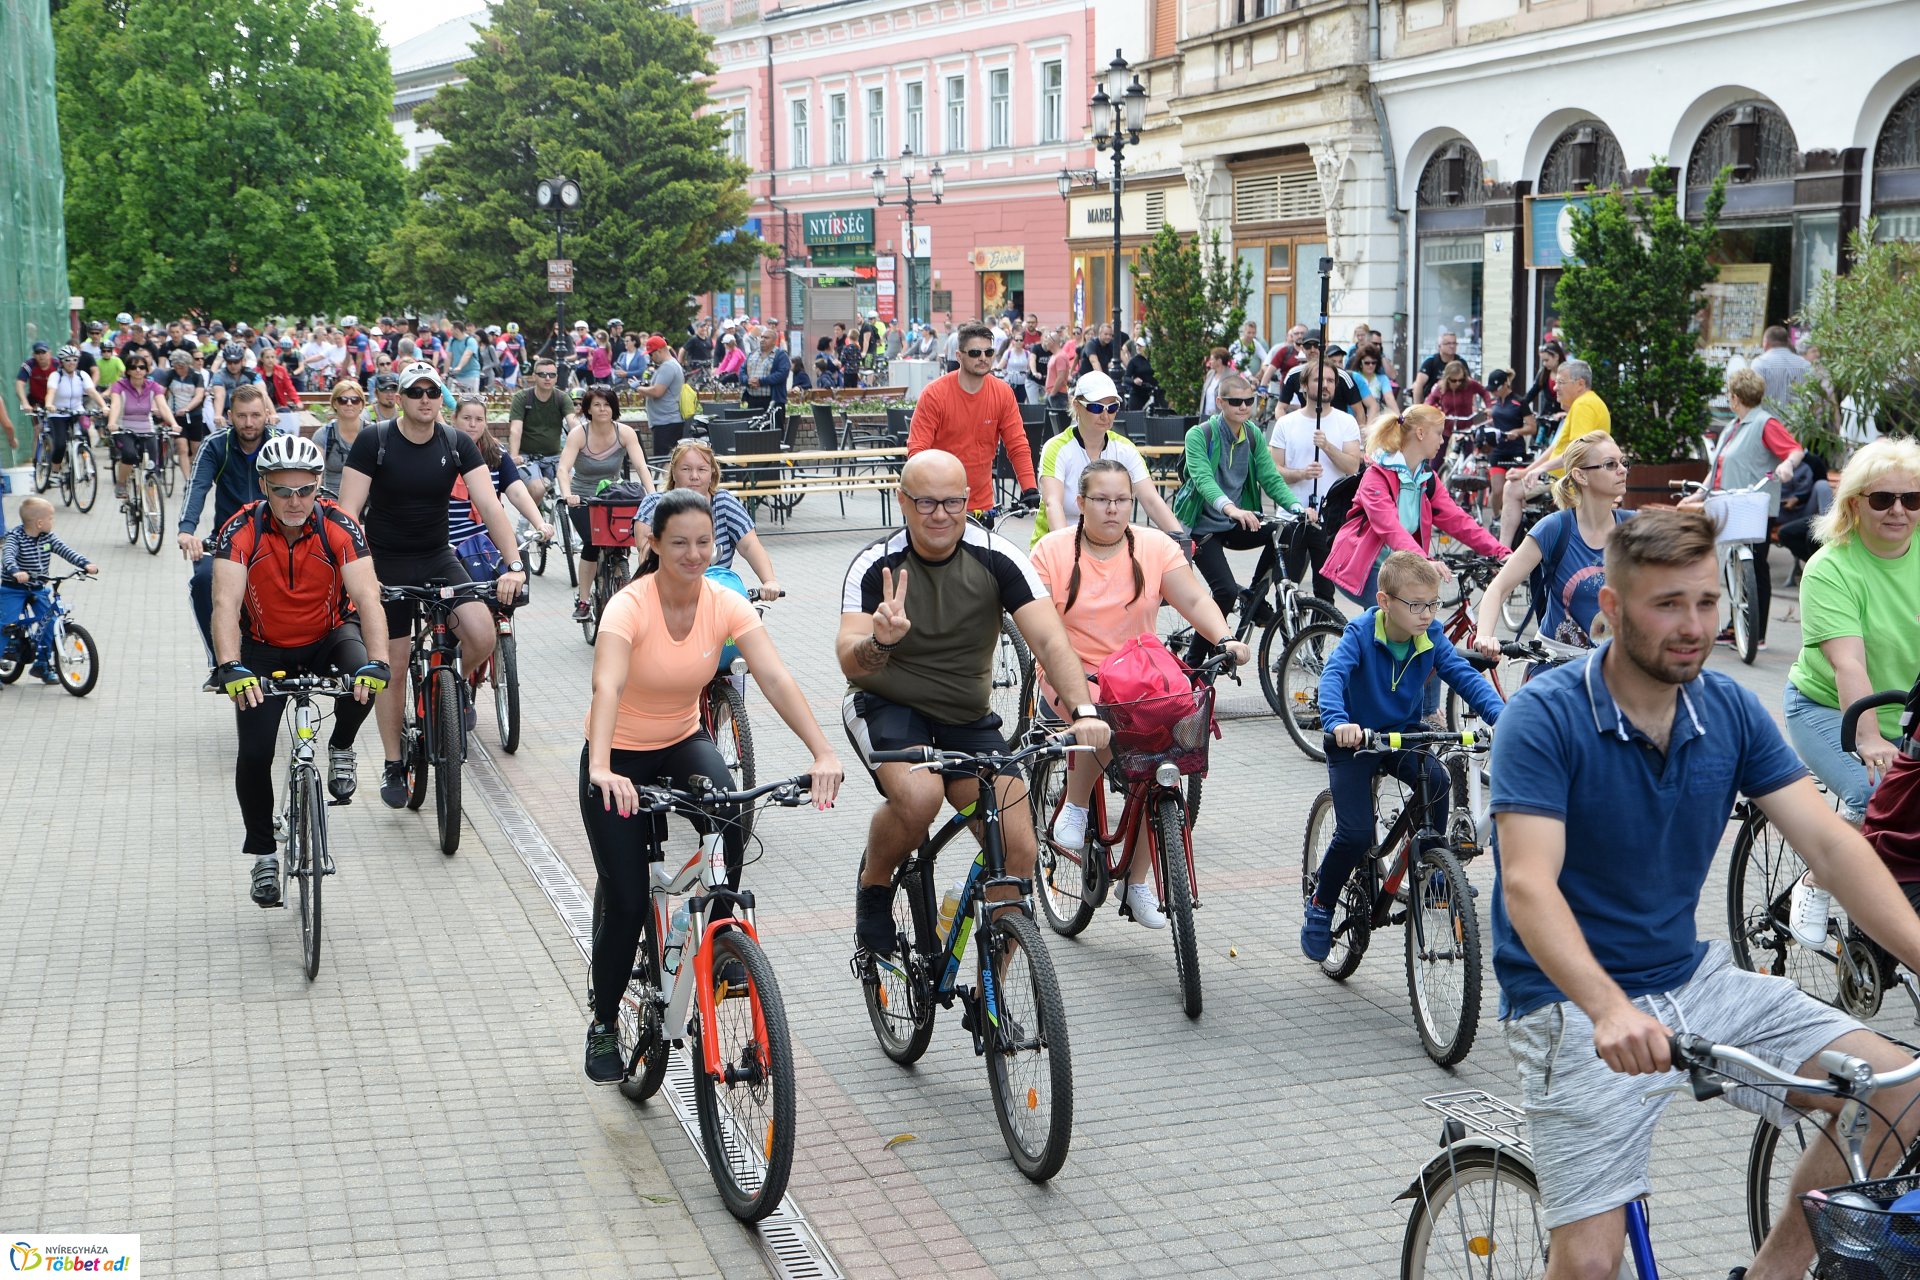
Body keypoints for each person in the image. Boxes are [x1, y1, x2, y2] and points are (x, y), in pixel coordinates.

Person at [1488, 506, 1920, 1280]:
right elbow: (1527, 882)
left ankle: (1773, 1274)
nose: (1694, 627)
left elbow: (1830, 846)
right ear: (1612, 607)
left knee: (1898, 1091)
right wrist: (1607, 1008)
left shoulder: (1727, 709)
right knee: (1592, 1263)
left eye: (1707, 602)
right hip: (1571, 1002)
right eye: (1668, 604)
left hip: (1694, 980)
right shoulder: (1544, 717)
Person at [579, 488, 843, 1082]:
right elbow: (607, 686)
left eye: (704, 542)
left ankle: (722, 935)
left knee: (728, 811)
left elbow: (773, 675)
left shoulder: (724, 601)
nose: (694, 554)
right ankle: (603, 1022)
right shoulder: (628, 606)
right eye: (680, 543)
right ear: (653, 543)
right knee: (627, 900)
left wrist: (822, 750)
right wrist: (601, 767)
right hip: (616, 754)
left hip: (681, 741)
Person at [838, 450, 1110, 957]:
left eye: (952, 502)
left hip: (966, 718)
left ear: (968, 500)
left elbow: (1050, 641)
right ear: (903, 501)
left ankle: (996, 992)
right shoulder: (876, 564)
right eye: (926, 502)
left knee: (1018, 850)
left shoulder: (996, 556)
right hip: (887, 706)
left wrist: (1084, 711)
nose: (940, 514)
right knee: (920, 799)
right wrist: (880, 642)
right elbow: (849, 662)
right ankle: (874, 886)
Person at [1029, 459, 1249, 926]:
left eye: (1122, 500)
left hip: (1140, 673)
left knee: (1168, 756)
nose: (1112, 509)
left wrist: (1226, 638)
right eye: (1101, 499)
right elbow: (1039, 626)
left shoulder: (1153, 546)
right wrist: (1063, 668)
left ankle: (1137, 882)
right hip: (1073, 671)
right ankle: (1075, 804)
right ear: (1081, 502)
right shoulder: (1051, 550)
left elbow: (1194, 599)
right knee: (1101, 716)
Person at [334, 362, 527, 809]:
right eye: (415, 392)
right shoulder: (375, 440)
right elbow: (348, 513)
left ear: (442, 398)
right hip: (385, 562)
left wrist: (514, 564)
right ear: (400, 398)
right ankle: (393, 761)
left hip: (438, 556)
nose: (425, 399)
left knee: (481, 634)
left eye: (432, 392)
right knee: (393, 664)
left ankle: (449, 689)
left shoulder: (456, 443)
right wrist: (357, 574)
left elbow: (489, 504)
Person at [209, 435, 389, 906]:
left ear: (318, 486)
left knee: (365, 678)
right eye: (283, 491)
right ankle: (264, 856)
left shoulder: (339, 525)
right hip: (263, 648)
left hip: (329, 636)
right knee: (254, 754)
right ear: (264, 487)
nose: (295, 501)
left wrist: (380, 661)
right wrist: (230, 665)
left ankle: (342, 745)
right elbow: (225, 602)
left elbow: (368, 598)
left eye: (305, 490)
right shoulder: (240, 528)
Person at [1302, 551, 1504, 959]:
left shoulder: (1431, 637)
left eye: (1433, 604)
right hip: (1354, 741)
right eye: (1415, 605)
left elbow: (1464, 676)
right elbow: (1334, 676)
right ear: (1385, 602)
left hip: (1402, 735)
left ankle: (1432, 867)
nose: (1427, 614)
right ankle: (1321, 903)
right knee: (1355, 834)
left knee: (1438, 780)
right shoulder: (1361, 633)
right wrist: (1338, 722)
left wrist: (1504, 716)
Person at [1781, 436, 1920, 837]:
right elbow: (1849, 663)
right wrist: (1869, 737)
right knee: (1874, 795)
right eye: (1882, 499)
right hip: (1828, 707)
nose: (1898, 510)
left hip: (1908, 712)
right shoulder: (1831, 569)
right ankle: (1826, 871)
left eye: (1912, 499)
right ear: (1855, 503)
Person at [1173, 373, 1311, 651]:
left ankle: (1252, 598)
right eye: (1236, 402)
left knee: (1285, 531)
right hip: (1202, 526)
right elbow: (1202, 479)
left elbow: (1270, 478)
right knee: (1224, 592)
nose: (1244, 406)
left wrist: (1297, 508)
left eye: (1249, 400)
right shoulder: (1199, 435)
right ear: (1220, 402)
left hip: (1235, 522)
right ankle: (1193, 663)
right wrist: (1231, 508)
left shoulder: (1253, 434)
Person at [1325, 403, 1509, 607]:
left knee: (1415, 616)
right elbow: (1390, 528)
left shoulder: (1426, 478)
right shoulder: (1376, 476)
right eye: (1439, 433)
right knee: (1404, 614)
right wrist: (1424, 561)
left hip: (1396, 567)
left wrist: (1499, 551)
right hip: (1363, 568)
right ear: (1420, 433)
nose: (1442, 441)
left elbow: (1457, 520)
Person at [1475, 431, 1633, 662]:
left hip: (1612, 669)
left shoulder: (1634, 527)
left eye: (1623, 462)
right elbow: (1498, 588)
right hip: (1557, 666)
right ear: (1581, 475)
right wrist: (1484, 637)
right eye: (1610, 464)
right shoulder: (1554, 528)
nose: (1622, 470)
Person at [1699, 367, 1805, 652]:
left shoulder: (1764, 423)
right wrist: (1699, 492)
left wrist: (1787, 465)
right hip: (1729, 503)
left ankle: (1755, 633)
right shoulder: (1735, 426)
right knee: (1734, 566)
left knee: (1755, 566)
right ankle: (1736, 626)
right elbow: (1718, 466)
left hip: (1753, 507)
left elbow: (1794, 450)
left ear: (1735, 397)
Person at [179, 385, 281, 662]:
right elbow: (197, 486)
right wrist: (186, 530)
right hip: (228, 539)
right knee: (203, 580)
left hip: (278, 537)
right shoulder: (216, 445)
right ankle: (220, 662)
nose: (249, 423)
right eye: (242, 416)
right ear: (229, 416)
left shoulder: (279, 444)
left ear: (267, 415)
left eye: (256, 415)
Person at [1034, 371, 1183, 548]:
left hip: (1106, 548)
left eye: (1112, 408)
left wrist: (1182, 540)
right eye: (1096, 408)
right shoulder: (1056, 448)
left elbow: (1151, 500)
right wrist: (1067, 551)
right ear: (1076, 406)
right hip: (1056, 545)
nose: (1105, 416)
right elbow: (1053, 504)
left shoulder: (1125, 448)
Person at [906, 321, 1038, 516]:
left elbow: (1017, 444)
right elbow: (917, 451)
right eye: (975, 353)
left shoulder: (1002, 393)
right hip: (938, 505)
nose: (983, 358)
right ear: (959, 356)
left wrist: (1030, 488)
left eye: (989, 352)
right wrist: (926, 496)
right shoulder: (934, 394)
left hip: (982, 505)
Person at [635, 439, 780, 600]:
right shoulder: (653, 504)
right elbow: (644, 551)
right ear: (673, 472)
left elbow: (749, 545)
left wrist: (769, 581)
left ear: (712, 473)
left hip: (717, 594)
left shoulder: (723, 502)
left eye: (702, 469)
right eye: (686, 469)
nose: (694, 476)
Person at [556, 384, 654, 622]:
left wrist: (653, 496)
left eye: (607, 404)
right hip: (583, 498)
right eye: (597, 405)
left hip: (612, 495)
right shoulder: (579, 434)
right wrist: (568, 495)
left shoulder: (625, 433)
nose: (602, 409)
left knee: (625, 540)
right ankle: (583, 600)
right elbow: (563, 469)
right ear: (588, 409)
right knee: (592, 543)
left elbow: (641, 467)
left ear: (614, 408)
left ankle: (626, 587)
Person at [1268, 361, 1364, 599]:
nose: (1325, 385)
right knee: (1286, 588)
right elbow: (1273, 472)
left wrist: (1327, 446)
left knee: (1325, 592)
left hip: (1329, 521)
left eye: (1330, 381)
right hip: (1292, 517)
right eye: (1318, 380)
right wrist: (1301, 474)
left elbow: (1353, 466)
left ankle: (1319, 625)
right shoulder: (1286, 423)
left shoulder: (1346, 422)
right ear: (1303, 385)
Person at [1497, 358, 1609, 550]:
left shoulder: (1584, 406)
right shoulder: (1584, 403)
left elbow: (1577, 452)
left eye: (1561, 382)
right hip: (1562, 477)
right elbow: (1555, 449)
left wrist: (1538, 471)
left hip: (1566, 480)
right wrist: (1527, 471)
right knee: (1515, 484)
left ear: (1580, 384)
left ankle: (1502, 552)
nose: (1555, 387)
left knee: (1511, 488)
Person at [447, 395, 554, 583]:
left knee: (517, 569)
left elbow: (517, 491)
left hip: (487, 543)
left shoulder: (496, 454)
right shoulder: (441, 452)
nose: (472, 424)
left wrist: (539, 523)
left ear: (485, 422)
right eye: (466, 418)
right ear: (454, 419)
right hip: (448, 546)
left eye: (479, 419)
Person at [0, 496, 99, 686]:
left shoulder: (48, 538)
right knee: (6, 625)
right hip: (14, 588)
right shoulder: (15, 537)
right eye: (51, 518)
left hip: (37, 587)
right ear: (39, 523)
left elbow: (65, 550)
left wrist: (85, 563)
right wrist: (16, 572)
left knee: (50, 624)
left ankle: (42, 664)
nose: (53, 521)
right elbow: (8, 556)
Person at [104, 351, 179, 501]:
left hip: (146, 428)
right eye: (133, 367)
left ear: (146, 369)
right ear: (128, 371)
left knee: (153, 463)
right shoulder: (119, 386)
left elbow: (163, 406)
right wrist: (112, 423)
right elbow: (116, 405)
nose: (138, 370)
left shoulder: (153, 386)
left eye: (141, 367)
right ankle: (121, 484)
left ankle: (151, 498)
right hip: (124, 428)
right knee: (129, 455)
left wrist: (174, 423)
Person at [37, 346, 109, 482]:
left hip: (77, 411)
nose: (71, 362)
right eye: (68, 360)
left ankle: (87, 464)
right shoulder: (56, 376)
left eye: (75, 360)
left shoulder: (82, 375)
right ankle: (55, 471)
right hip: (58, 413)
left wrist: (103, 406)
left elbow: (92, 392)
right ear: (61, 362)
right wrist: (49, 404)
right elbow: (51, 392)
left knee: (84, 435)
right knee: (60, 444)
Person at [314, 379, 370, 499]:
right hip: (332, 499)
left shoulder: (373, 433)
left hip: (368, 500)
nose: (349, 403)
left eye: (355, 400)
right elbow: (316, 473)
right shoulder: (323, 435)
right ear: (335, 404)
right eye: (343, 400)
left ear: (361, 404)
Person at [159, 348, 209, 479]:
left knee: (195, 448)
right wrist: (157, 406)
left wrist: (187, 408)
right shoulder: (170, 375)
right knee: (182, 448)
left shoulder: (196, 376)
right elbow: (160, 392)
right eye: (175, 366)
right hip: (177, 417)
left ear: (187, 365)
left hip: (194, 415)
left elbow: (199, 396)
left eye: (181, 366)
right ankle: (187, 480)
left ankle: (193, 470)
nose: (178, 369)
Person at [1749, 324, 1813, 419]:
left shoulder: (1760, 363)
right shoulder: (1805, 365)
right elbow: (1813, 398)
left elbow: (1752, 396)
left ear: (1765, 343)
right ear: (1788, 342)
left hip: (1768, 424)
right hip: (1797, 425)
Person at [637, 335, 687, 455]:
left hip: (666, 422)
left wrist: (639, 388)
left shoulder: (668, 366)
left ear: (659, 351)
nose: (651, 358)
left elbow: (657, 391)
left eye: (651, 354)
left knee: (663, 461)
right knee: (667, 459)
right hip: (666, 421)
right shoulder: (671, 365)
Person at [1423, 359, 1492, 442]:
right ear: (1447, 379)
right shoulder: (1440, 386)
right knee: (1438, 449)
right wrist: (1430, 411)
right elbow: (1429, 400)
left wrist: (1489, 407)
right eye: (1454, 380)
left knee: (1468, 449)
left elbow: (1484, 392)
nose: (1458, 383)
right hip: (1445, 428)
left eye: (1461, 380)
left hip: (1466, 429)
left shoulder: (1470, 384)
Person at [742, 323, 792, 438]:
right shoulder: (752, 354)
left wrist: (761, 381)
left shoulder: (780, 355)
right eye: (762, 337)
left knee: (773, 435)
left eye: (766, 338)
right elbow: (742, 371)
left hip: (772, 401)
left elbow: (782, 374)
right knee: (753, 434)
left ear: (774, 341)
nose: (762, 340)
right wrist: (747, 380)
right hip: (753, 401)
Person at [208, 344, 263, 433]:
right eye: (229, 362)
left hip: (248, 412)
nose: (233, 365)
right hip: (227, 414)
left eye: (236, 362)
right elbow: (219, 395)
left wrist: (272, 413)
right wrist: (218, 415)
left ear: (242, 361)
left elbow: (262, 393)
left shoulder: (252, 374)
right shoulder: (219, 375)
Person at [1408, 330, 1460, 405]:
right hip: (1432, 403)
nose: (1452, 346)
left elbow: (1470, 384)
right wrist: (1418, 406)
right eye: (1448, 343)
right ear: (1439, 346)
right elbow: (1418, 384)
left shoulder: (1460, 362)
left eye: (1454, 343)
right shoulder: (1431, 361)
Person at [444, 320, 481, 394]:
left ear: (457, 330)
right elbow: (448, 357)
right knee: (455, 397)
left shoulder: (471, 341)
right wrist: (445, 372)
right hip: (457, 376)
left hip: (471, 374)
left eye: (451, 329)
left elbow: (467, 355)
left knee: (472, 397)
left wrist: (459, 367)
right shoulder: (452, 340)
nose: (450, 331)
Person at [1121, 340, 1157, 411]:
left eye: (1141, 346)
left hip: (1153, 393)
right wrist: (1134, 381)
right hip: (1137, 393)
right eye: (1137, 345)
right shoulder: (1134, 361)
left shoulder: (1154, 359)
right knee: (1135, 415)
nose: (1138, 347)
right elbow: (1125, 378)